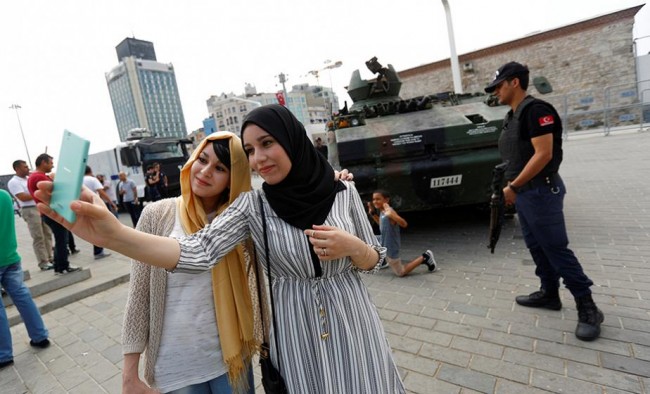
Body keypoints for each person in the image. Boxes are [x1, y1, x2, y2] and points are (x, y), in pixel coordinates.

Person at [36, 104, 406, 393]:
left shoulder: (343, 191)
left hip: (352, 318)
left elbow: (374, 261)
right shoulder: (253, 206)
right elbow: (197, 251)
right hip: (294, 331)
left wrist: (353, 246)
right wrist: (114, 235)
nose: (260, 158)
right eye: (251, 149)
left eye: (267, 143)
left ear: (291, 139)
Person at [122, 132, 256, 394]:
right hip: (176, 367)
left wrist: (328, 181)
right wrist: (130, 374)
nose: (205, 172)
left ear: (233, 178)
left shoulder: (241, 222)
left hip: (231, 360)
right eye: (202, 159)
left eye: (219, 168)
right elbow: (138, 295)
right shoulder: (157, 214)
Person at [485, 61, 604, 341]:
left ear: (515, 82)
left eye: (499, 86)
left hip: (541, 191)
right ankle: (550, 293)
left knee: (556, 250)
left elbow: (544, 154)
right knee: (537, 246)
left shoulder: (536, 110)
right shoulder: (511, 115)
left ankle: (588, 306)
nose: (495, 92)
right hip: (526, 193)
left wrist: (513, 185)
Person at [0, 189, 51, 370]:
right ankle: (40, 336)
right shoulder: (4, 195)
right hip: (10, 256)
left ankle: (3, 354)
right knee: (22, 296)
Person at [27, 154, 80, 275]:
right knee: (62, 239)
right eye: (51, 163)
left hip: (49, 212)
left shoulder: (36, 176)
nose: (53, 165)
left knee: (60, 239)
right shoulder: (38, 177)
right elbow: (55, 192)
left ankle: (59, 266)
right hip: (52, 212)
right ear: (43, 162)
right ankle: (63, 267)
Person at [368, 190, 437, 276]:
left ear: (386, 200)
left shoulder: (389, 211)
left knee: (400, 272)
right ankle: (383, 260)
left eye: (378, 199)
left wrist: (392, 215)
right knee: (367, 238)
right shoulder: (382, 211)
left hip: (390, 246)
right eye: (373, 199)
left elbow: (404, 224)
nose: (375, 201)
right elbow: (382, 225)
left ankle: (425, 257)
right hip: (383, 241)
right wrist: (373, 214)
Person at [7, 159, 54, 271]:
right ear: (17, 168)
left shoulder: (29, 179)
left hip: (39, 206)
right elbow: (22, 197)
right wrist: (37, 193)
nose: (27, 168)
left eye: (27, 166)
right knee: (38, 236)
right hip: (29, 210)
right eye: (24, 167)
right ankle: (43, 262)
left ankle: (50, 257)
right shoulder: (14, 182)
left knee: (47, 233)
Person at [83, 166, 114, 260]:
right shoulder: (92, 179)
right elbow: (102, 192)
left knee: (93, 229)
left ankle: (97, 250)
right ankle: (99, 251)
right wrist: (111, 202)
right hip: (94, 206)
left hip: (84, 207)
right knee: (99, 228)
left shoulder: (80, 180)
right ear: (91, 171)